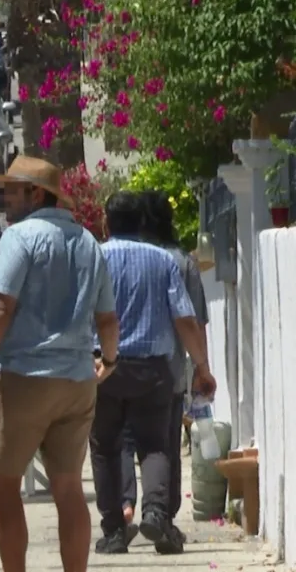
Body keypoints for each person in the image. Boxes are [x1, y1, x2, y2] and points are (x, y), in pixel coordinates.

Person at [0, 155, 120, 572]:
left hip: (24, 379)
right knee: (68, 488)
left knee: (2, 483)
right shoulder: (88, 242)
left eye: (11, 190)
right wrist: (109, 359)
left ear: (36, 194)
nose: (4, 198)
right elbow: (107, 318)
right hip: (77, 379)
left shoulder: (20, 237)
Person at [90, 191, 216, 555]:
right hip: (154, 369)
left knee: (106, 446)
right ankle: (157, 513)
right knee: (156, 444)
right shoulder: (164, 261)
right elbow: (185, 318)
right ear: (141, 224)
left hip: (103, 366)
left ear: (106, 222)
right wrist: (202, 367)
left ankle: (114, 529)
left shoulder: (94, 258)